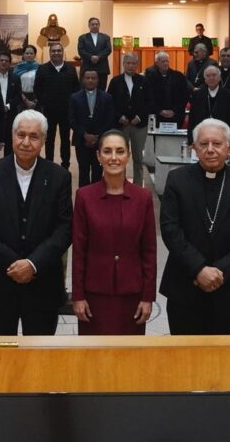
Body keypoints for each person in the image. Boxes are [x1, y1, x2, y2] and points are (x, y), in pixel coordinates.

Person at [0, 110, 73, 335]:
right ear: (12, 135)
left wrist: (33, 264)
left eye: (34, 136)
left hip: (42, 283)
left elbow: (64, 229)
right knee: (1, 359)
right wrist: (15, 264)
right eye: (21, 135)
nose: (26, 142)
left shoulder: (59, 177)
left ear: (44, 140)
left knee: (39, 361)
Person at [160, 118, 230, 335]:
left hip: (229, 290)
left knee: (223, 365)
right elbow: (170, 230)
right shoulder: (177, 180)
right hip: (184, 288)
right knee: (184, 362)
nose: (210, 150)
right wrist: (199, 269)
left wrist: (219, 272)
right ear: (195, 148)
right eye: (204, 144)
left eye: (217, 144)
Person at [72, 130, 156, 335]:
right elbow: (79, 251)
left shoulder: (142, 197)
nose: (114, 157)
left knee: (129, 360)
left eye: (120, 151)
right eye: (107, 151)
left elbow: (149, 251)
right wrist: (78, 296)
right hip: (94, 294)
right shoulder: (85, 196)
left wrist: (148, 297)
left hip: (132, 293)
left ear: (128, 156)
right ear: (99, 157)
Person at [107, 53, 150, 186]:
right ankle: (120, 183)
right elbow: (110, 102)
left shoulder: (144, 81)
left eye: (133, 64)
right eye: (128, 63)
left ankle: (137, 186)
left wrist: (139, 117)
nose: (131, 66)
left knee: (138, 158)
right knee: (121, 156)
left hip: (139, 125)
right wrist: (119, 116)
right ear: (123, 64)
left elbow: (150, 102)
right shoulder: (115, 81)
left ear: (137, 65)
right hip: (121, 125)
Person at [33, 42, 78, 168]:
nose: (56, 53)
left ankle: (65, 165)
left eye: (59, 51)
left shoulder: (71, 69)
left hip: (66, 111)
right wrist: (44, 102)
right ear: (50, 53)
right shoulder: (42, 69)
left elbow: (76, 89)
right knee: (49, 140)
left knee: (65, 140)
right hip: (49, 111)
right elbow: (37, 89)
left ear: (63, 52)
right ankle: (49, 165)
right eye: (54, 51)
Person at [69, 69, 117, 185]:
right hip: (81, 140)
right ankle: (83, 199)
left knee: (98, 170)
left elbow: (110, 119)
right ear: (83, 80)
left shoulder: (107, 97)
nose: (90, 80)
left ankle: (97, 198)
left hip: (100, 141)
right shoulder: (74, 97)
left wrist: (97, 136)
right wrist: (85, 135)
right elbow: (72, 119)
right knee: (83, 171)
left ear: (98, 80)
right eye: (88, 78)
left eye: (93, 78)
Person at [187, 63, 230, 144]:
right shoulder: (197, 95)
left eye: (214, 75)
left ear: (219, 78)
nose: (211, 78)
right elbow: (192, 120)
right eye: (208, 76)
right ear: (205, 79)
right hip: (202, 137)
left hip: (222, 137)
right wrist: (190, 142)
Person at [0, 52, 23, 153]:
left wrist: (8, 106)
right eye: (1, 60)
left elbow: (18, 97)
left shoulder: (16, 78)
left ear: (10, 64)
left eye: (6, 61)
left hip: (10, 114)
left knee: (10, 144)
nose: (4, 62)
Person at [145, 51, 188, 126]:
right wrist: (160, 111)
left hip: (176, 116)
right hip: (157, 116)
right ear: (157, 63)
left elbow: (184, 96)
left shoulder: (178, 76)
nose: (165, 63)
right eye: (163, 61)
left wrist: (174, 111)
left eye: (167, 61)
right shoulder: (150, 78)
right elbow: (148, 97)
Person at [76, 18, 112, 90]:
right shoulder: (82, 38)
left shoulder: (106, 37)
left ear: (99, 25)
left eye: (97, 24)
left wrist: (98, 57)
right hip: (87, 67)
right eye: (93, 24)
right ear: (89, 25)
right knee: (84, 90)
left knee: (101, 91)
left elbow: (108, 49)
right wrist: (90, 57)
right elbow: (81, 50)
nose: (95, 26)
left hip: (102, 68)